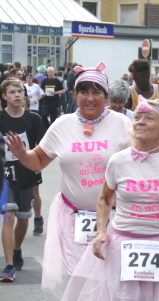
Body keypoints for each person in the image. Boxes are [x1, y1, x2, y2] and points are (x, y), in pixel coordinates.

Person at [4, 62, 132, 298]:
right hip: (74, 217)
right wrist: (22, 154)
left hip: (115, 217)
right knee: (80, 279)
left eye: (96, 92)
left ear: (105, 96)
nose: (90, 98)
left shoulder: (122, 124)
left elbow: (140, 163)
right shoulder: (63, 125)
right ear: (76, 95)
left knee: (110, 280)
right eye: (84, 92)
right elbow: (39, 160)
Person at [62, 97, 159, 301]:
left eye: (149, 118)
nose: (140, 122)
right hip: (122, 243)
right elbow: (105, 199)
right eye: (138, 117)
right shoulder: (119, 160)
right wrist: (100, 232)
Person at [0, 78, 44, 282]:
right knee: (8, 215)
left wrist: (33, 161)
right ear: (4, 96)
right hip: (5, 176)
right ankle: (8, 265)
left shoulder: (33, 119)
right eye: (12, 92)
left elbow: (41, 147)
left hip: (27, 173)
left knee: (23, 219)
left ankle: (17, 249)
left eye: (20, 91)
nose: (17, 95)